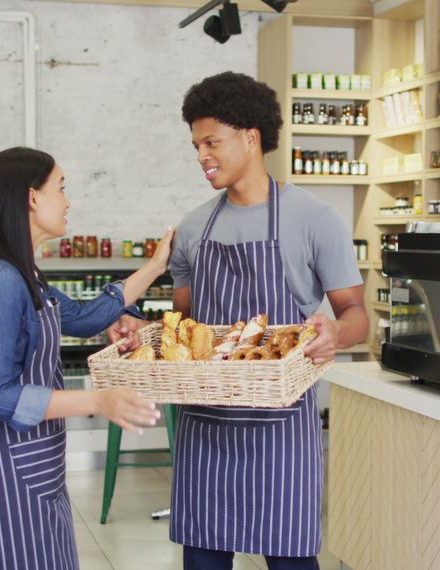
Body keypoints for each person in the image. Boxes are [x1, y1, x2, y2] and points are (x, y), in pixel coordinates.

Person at [109, 71, 369, 569]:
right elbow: (183, 326)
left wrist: (336, 332)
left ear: (251, 137)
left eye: (212, 141)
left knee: (290, 558)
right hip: (206, 424)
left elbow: (356, 316)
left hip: (282, 425)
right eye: (196, 145)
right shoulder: (192, 227)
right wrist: (136, 328)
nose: (201, 155)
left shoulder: (314, 219)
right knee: (203, 558)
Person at [0, 147, 172, 570]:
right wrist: (97, 401)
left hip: (24, 465)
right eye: (61, 189)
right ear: (32, 198)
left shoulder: (23, 274)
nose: (67, 201)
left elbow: (83, 318)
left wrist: (156, 267)